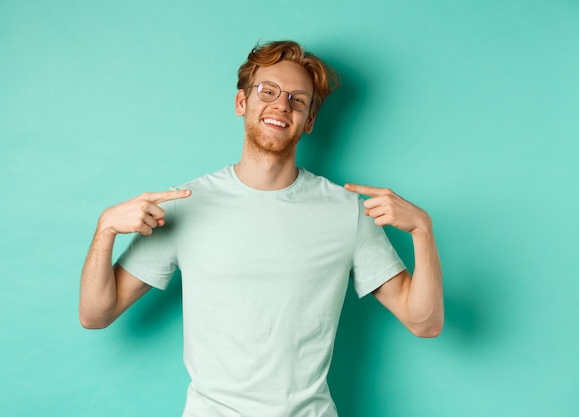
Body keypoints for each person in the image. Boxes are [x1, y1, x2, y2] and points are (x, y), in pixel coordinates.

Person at [79, 40, 443, 417]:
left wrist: (422, 231)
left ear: (310, 120)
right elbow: (95, 314)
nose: (281, 105)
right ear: (242, 103)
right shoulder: (186, 204)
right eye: (267, 91)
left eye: (297, 100)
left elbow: (425, 323)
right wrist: (105, 229)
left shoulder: (345, 211)